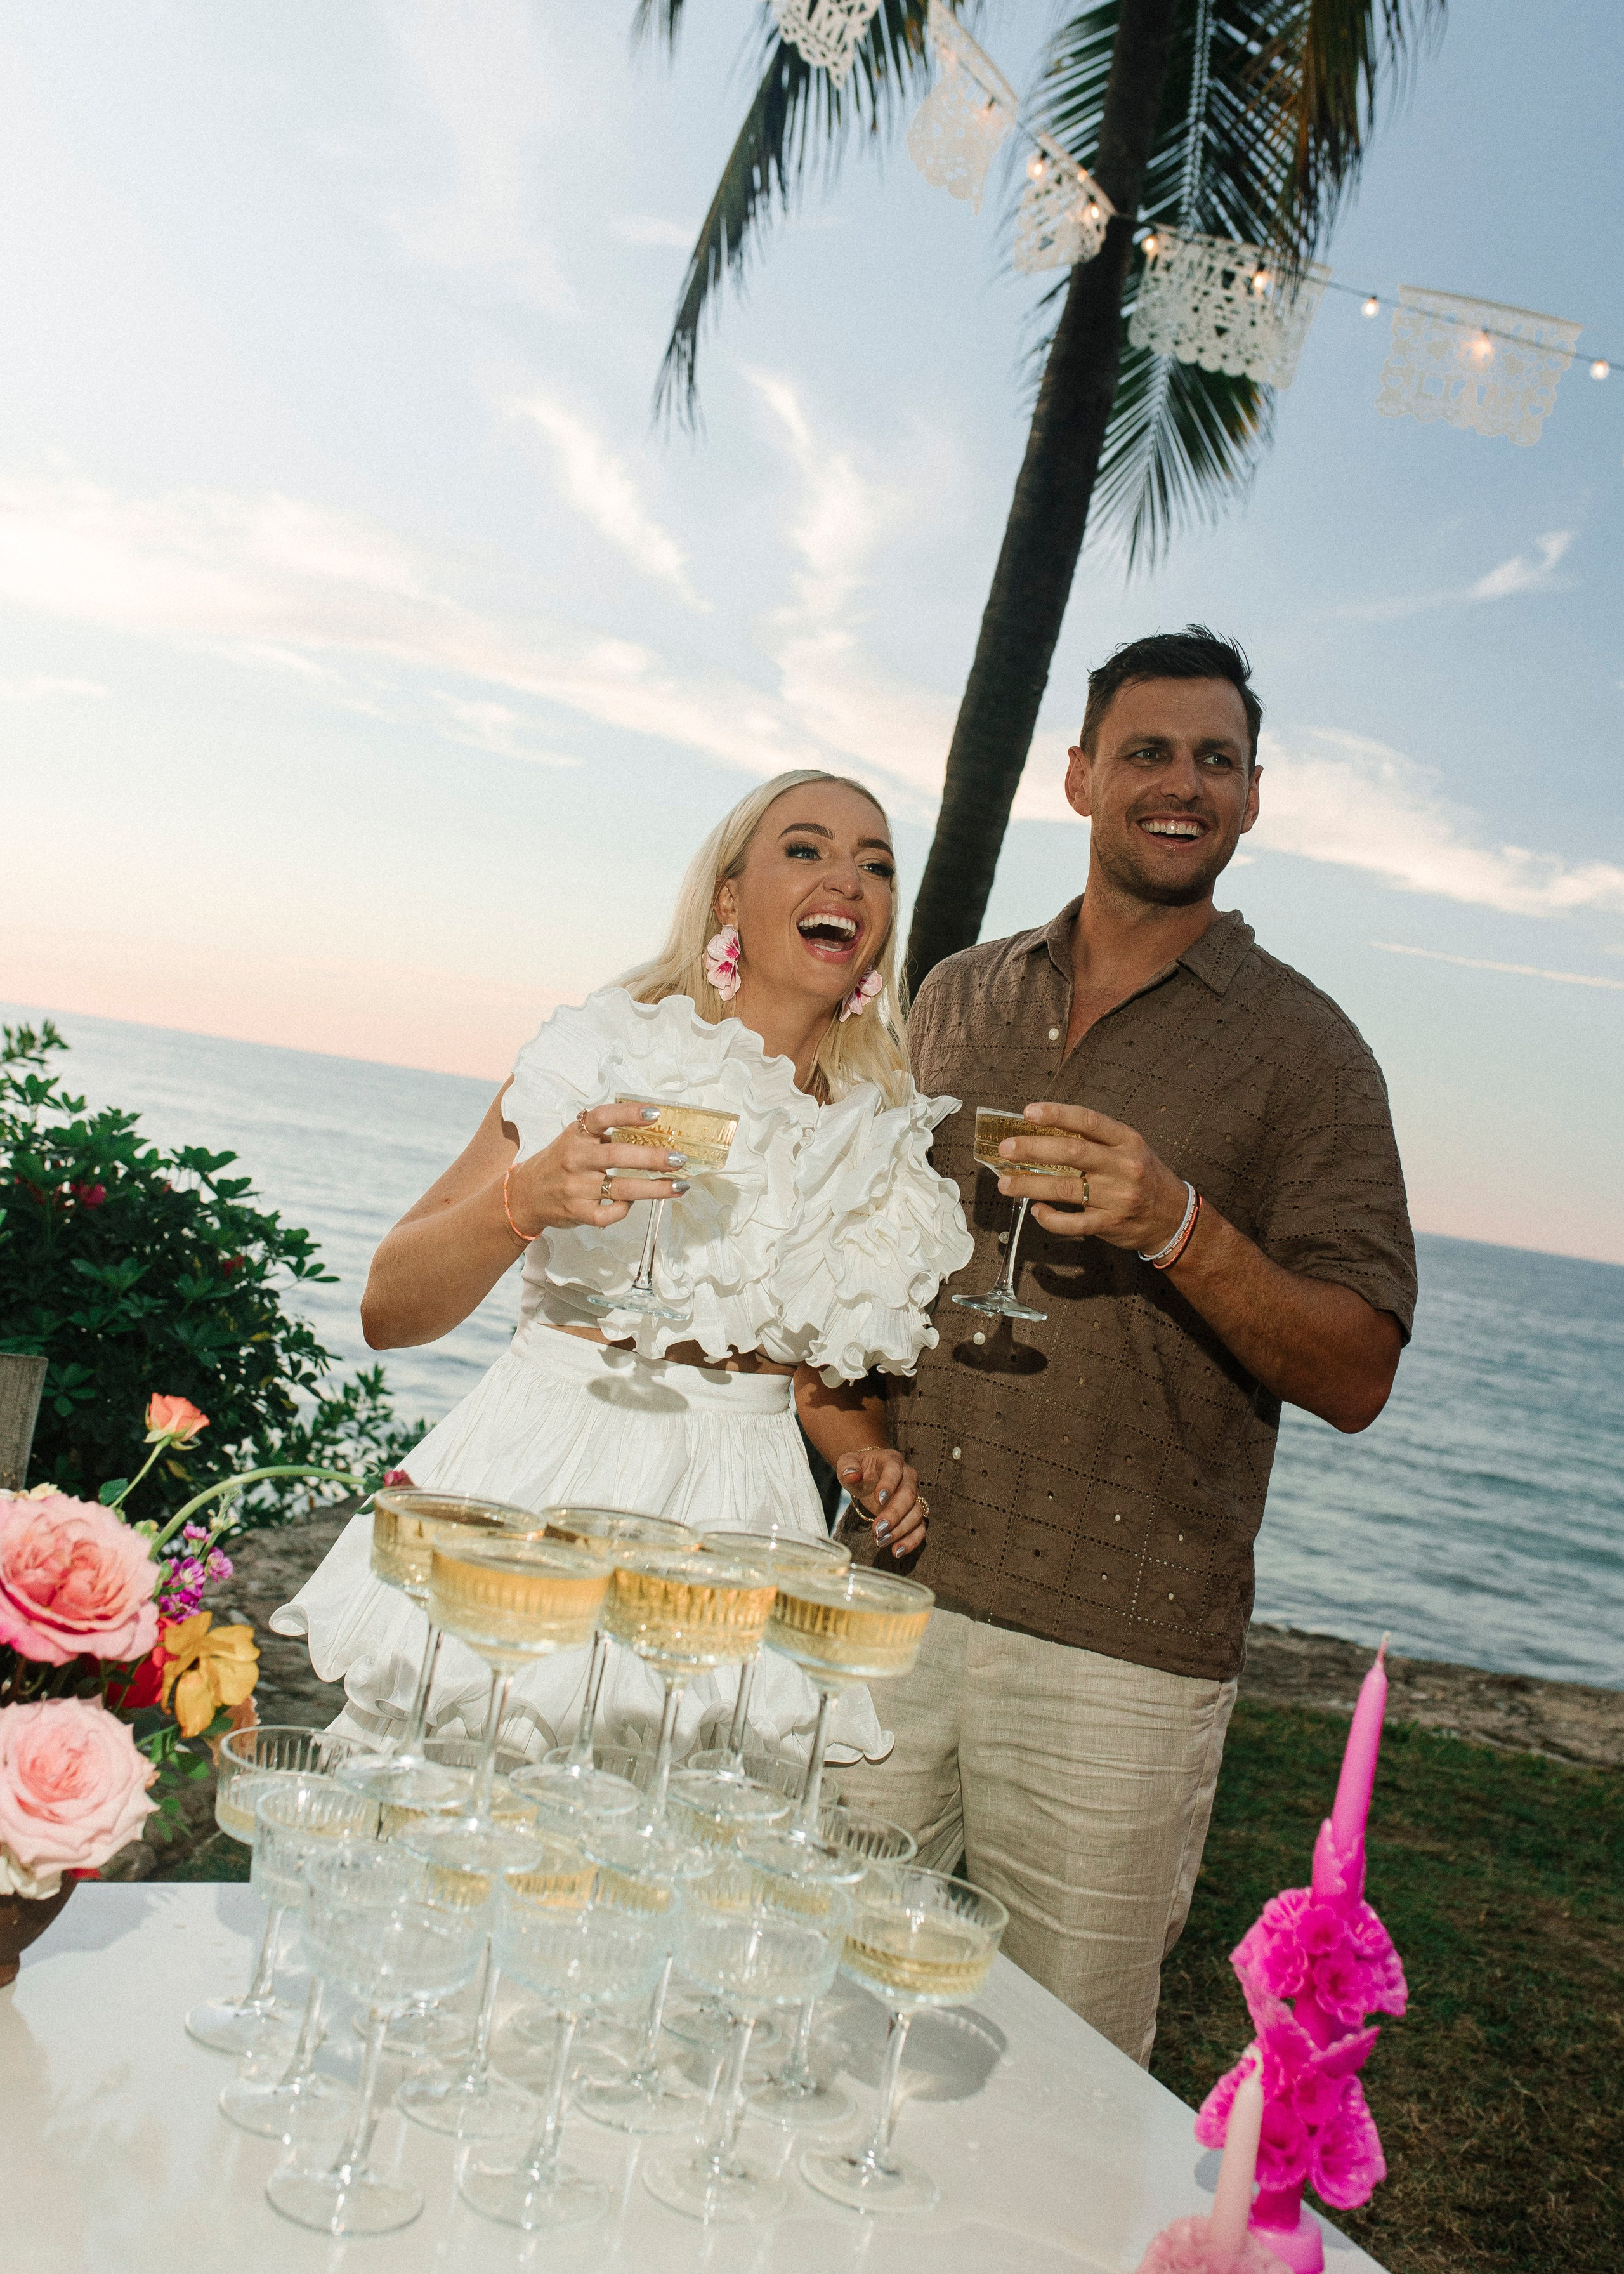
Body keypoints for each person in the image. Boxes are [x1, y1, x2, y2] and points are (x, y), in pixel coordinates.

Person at [839, 628, 1417, 2063]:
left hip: (1119, 1662)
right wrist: (843, 1430)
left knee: (1060, 2087)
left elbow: (1355, 1370)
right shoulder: (960, 994)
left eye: (1213, 760)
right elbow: (861, 1261)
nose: (1180, 783)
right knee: (818, 2015)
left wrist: (1175, 1226)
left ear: (1252, 797)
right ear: (1080, 775)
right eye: (1146, 752)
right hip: (888, 1606)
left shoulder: (1308, 1052)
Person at [273, 770, 972, 1764]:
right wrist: (525, 1201)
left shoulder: (879, 1138)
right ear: (728, 896)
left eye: (877, 865)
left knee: (666, 1864)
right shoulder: (601, 1054)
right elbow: (391, 1308)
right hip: (548, 1483)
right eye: (806, 850)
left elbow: (814, 1383)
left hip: (745, 1523)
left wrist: (862, 1456)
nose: (848, 883)